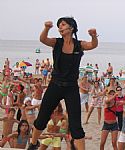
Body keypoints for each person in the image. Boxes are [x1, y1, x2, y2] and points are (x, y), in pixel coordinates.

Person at [27, 16, 98, 150]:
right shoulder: (57, 42)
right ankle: (33, 143)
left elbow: (93, 45)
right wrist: (47, 28)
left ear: (71, 27)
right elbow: (43, 39)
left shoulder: (79, 45)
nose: (60, 27)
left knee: (76, 125)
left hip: (71, 87)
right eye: (59, 25)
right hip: (55, 85)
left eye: (63, 24)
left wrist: (93, 36)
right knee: (42, 118)